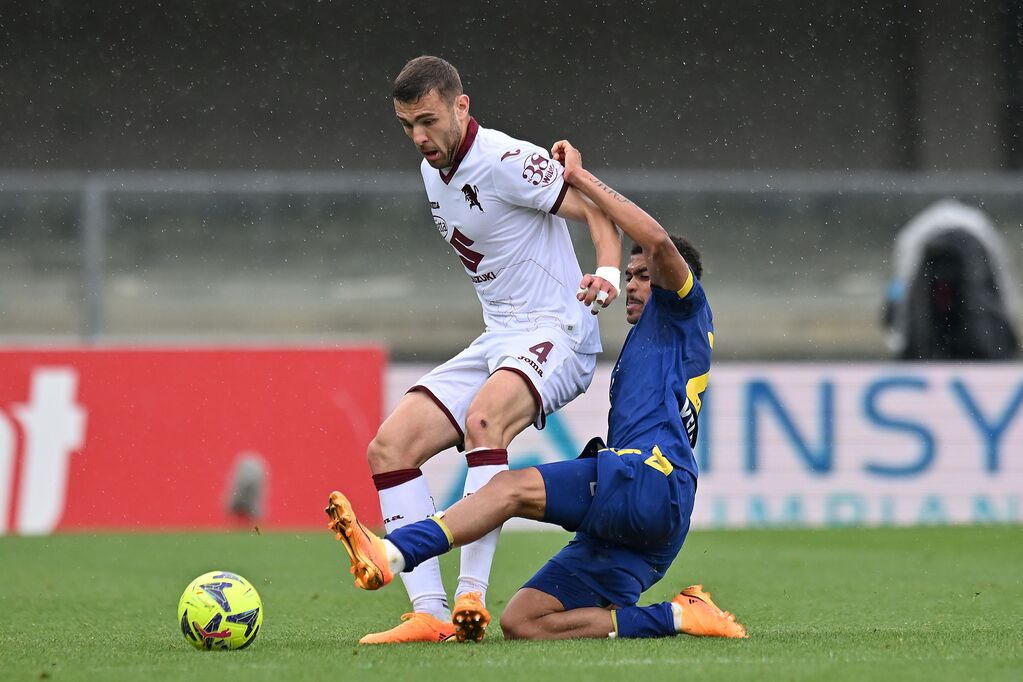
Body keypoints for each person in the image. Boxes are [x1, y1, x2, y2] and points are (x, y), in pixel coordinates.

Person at [326, 139, 748, 641]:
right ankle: (679, 616)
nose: (633, 285)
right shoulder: (646, 343)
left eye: (643, 277)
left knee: (508, 489)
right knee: (524, 622)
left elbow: (655, 239)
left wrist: (581, 178)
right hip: (651, 519)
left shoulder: (685, 311)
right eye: (629, 276)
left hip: (652, 477)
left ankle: (395, 552)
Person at [340, 57, 623, 644]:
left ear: (461, 107)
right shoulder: (432, 168)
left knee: (484, 420)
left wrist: (608, 273)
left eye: (427, 120)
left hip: (558, 333)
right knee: (389, 447)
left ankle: (472, 594)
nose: (419, 138)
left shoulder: (505, 159)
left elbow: (596, 208)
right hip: (499, 338)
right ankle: (430, 613)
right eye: (405, 126)